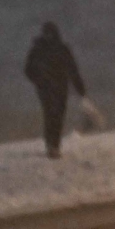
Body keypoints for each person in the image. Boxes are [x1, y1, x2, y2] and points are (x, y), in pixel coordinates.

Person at [22, 21, 86, 158]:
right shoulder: (39, 50)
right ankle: (51, 146)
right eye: (46, 33)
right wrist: (40, 81)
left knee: (58, 116)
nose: (48, 36)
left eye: (50, 33)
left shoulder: (60, 49)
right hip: (46, 89)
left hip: (60, 88)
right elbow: (28, 70)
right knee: (51, 115)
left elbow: (72, 69)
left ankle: (54, 145)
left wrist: (79, 87)